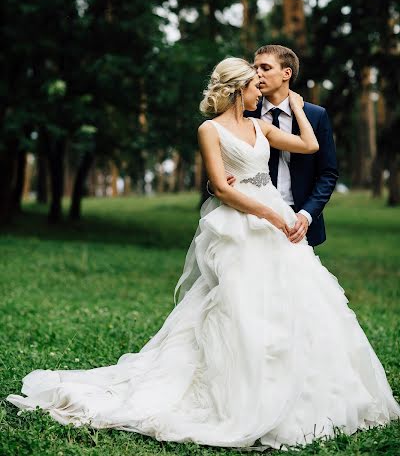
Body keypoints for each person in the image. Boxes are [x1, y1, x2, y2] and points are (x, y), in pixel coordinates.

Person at [7, 58, 400, 451]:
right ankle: (239, 388)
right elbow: (222, 188)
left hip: (275, 222)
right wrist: (270, 215)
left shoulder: (260, 125)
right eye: (253, 87)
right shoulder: (209, 130)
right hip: (244, 224)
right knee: (238, 303)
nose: (259, 92)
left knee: (297, 298)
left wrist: (297, 106)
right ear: (236, 90)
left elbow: (310, 146)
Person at [244, 44, 338, 247]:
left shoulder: (316, 116)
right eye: (255, 68)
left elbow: (328, 173)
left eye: (265, 68)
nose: (257, 74)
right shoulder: (244, 114)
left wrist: (307, 214)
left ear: (286, 73)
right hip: (251, 216)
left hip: (298, 220)